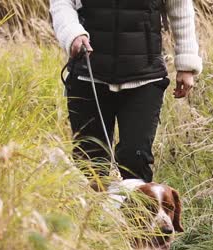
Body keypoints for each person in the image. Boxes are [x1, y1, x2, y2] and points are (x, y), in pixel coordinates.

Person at [50, 0, 201, 187]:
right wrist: (72, 33)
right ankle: (95, 214)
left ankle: (138, 216)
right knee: (91, 163)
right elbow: (61, 3)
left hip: (145, 79)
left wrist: (186, 65)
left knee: (135, 159)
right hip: (88, 76)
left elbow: (180, 8)